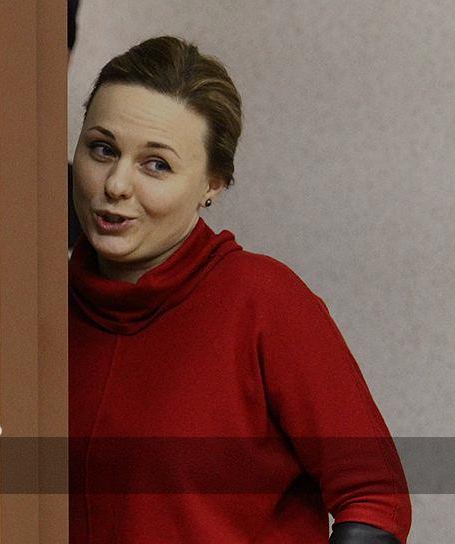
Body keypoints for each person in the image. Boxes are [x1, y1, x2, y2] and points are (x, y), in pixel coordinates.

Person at [68, 36, 411, 543]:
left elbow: (375, 496)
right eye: (102, 149)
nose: (116, 184)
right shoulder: (34, 308)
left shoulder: (264, 301)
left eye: (156, 164)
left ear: (212, 184)